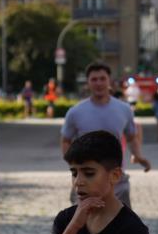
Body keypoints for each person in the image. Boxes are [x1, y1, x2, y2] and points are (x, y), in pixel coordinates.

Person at [61, 61, 151, 209]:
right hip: (87, 178)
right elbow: (65, 140)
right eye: (94, 79)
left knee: (122, 225)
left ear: (109, 81)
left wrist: (138, 156)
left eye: (102, 79)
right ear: (88, 83)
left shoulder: (124, 109)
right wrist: (73, 165)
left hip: (116, 178)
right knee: (84, 225)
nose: (99, 83)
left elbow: (131, 137)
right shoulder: (75, 112)